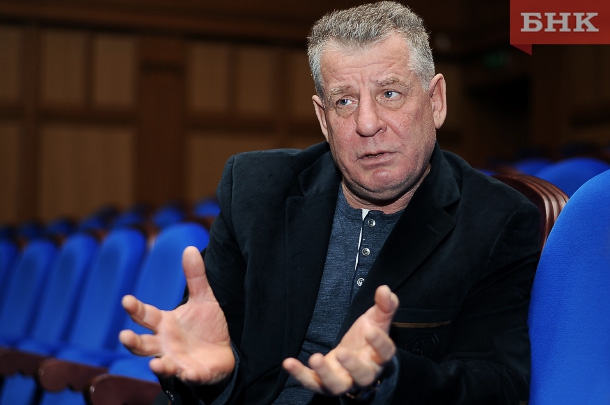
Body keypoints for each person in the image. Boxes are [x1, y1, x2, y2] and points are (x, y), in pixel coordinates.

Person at [119, 1, 541, 403]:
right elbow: (206, 349)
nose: (367, 123)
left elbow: (498, 384)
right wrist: (218, 377)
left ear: (436, 102)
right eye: (345, 101)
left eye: (390, 93)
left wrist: (387, 378)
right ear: (324, 119)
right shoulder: (256, 191)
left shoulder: (496, 220)